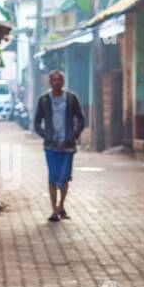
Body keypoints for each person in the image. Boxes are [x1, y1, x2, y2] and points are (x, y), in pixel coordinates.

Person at [33, 70, 86, 222]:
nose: (57, 82)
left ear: (63, 81)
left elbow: (81, 119)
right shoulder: (44, 100)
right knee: (52, 178)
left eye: (60, 79)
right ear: (50, 82)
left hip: (68, 146)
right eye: (54, 80)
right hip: (51, 146)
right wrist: (46, 135)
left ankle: (61, 205)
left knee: (64, 178)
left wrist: (74, 135)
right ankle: (54, 210)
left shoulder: (71, 98)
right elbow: (37, 122)